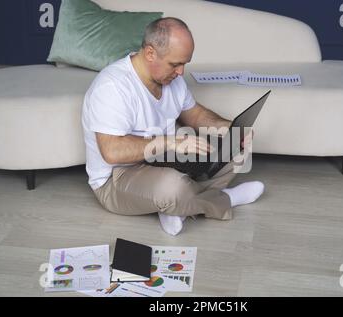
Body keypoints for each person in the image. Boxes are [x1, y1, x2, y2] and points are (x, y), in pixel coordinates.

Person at [82, 17, 264, 236]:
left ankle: (172, 206)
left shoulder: (171, 80)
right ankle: (226, 198)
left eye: (184, 63)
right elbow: (112, 152)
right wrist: (172, 143)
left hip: (163, 161)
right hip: (116, 178)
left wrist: (229, 128)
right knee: (173, 187)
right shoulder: (112, 87)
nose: (181, 72)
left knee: (237, 149)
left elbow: (195, 115)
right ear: (150, 53)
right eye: (175, 64)